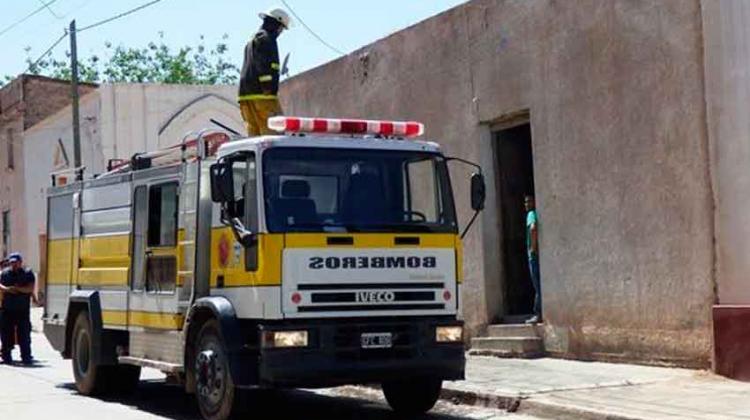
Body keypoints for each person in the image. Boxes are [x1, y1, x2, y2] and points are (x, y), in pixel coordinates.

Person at [238, 8, 292, 136]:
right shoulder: (267, 39)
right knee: (274, 136)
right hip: (263, 96)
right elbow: (266, 66)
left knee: (255, 138)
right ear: (276, 24)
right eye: (282, 28)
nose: (281, 32)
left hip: (245, 96)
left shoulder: (252, 40)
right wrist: (268, 87)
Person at [0, 253, 35, 365]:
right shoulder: (5, 274)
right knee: (6, 335)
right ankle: (6, 356)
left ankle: (26, 357)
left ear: (21, 262)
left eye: (16, 262)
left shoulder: (27, 273)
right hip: (7, 309)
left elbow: (30, 288)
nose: (14, 265)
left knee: (24, 335)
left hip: (22, 310)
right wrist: (7, 289)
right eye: (12, 263)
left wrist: (18, 289)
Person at [524, 196, 541, 324]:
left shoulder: (531, 214)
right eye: (525, 202)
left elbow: (533, 228)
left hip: (533, 256)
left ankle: (537, 313)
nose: (527, 204)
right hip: (534, 255)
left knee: (537, 285)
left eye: (529, 201)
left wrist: (533, 248)